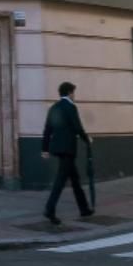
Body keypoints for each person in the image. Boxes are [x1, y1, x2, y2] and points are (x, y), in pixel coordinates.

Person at [41, 80, 93, 225]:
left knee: (75, 180)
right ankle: (49, 209)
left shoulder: (54, 107)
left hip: (57, 148)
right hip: (68, 149)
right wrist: (87, 139)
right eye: (73, 93)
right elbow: (77, 126)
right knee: (60, 180)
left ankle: (84, 208)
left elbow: (47, 129)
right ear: (70, 93)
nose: (74, 95)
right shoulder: (71, 107)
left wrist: (44, 149)